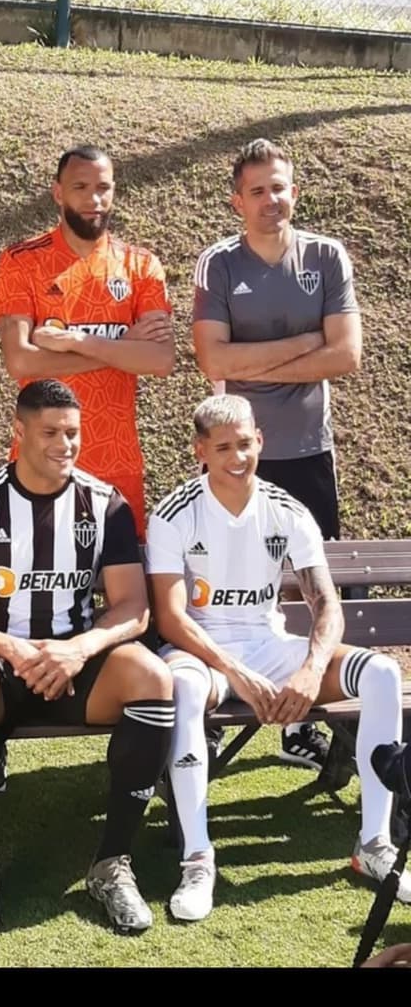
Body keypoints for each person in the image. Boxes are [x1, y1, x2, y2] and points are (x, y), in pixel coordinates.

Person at [0, 379, 174, 941]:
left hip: (74, 668)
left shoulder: (104, 504)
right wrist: (11, 647)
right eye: (51, 432)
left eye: (73, 433)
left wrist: (79, 648)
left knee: (153, 676)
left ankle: (112, 863)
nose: (65, 443)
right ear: (19, 432)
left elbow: (133, 609)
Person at [146, 394, 410, 923]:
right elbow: (172, 620)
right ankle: (198, 857)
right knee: (189, 688)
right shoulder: (173, 513)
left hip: (270, 648)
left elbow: (326, 606)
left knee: (381, 673)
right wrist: (237, 675)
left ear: (260, 441)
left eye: (246, 444)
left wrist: (311, 670)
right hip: (202, 651)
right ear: (200, 450)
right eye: (223, 447)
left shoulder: (285, 510)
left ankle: (373, 845)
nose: (238, 457)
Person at [193, 138, 362, 772]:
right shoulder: (219, 264)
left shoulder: (326, 255)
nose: (271, 199)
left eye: (280, 187)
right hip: (232, 455)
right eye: (258, 190)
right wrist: (305, 342)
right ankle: (208, 713)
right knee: (219, 590)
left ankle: (314, 728)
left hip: (307, 452)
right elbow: (215, 361)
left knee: (314, 588)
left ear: (295, 191)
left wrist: (255, 359)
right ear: (238, 200)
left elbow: (346, 354)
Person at [0, 144, 174, 542]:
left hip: (118, 460)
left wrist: (76, 341)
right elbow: (21, 361)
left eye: (104, 188)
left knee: (126, 587)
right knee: (39, 586)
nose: (95, 199)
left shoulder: (140, 265)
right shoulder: (21, 261)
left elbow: (160, 359)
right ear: (58, 192)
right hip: (41, 462)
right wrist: (122, 349)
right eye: (81, 187)